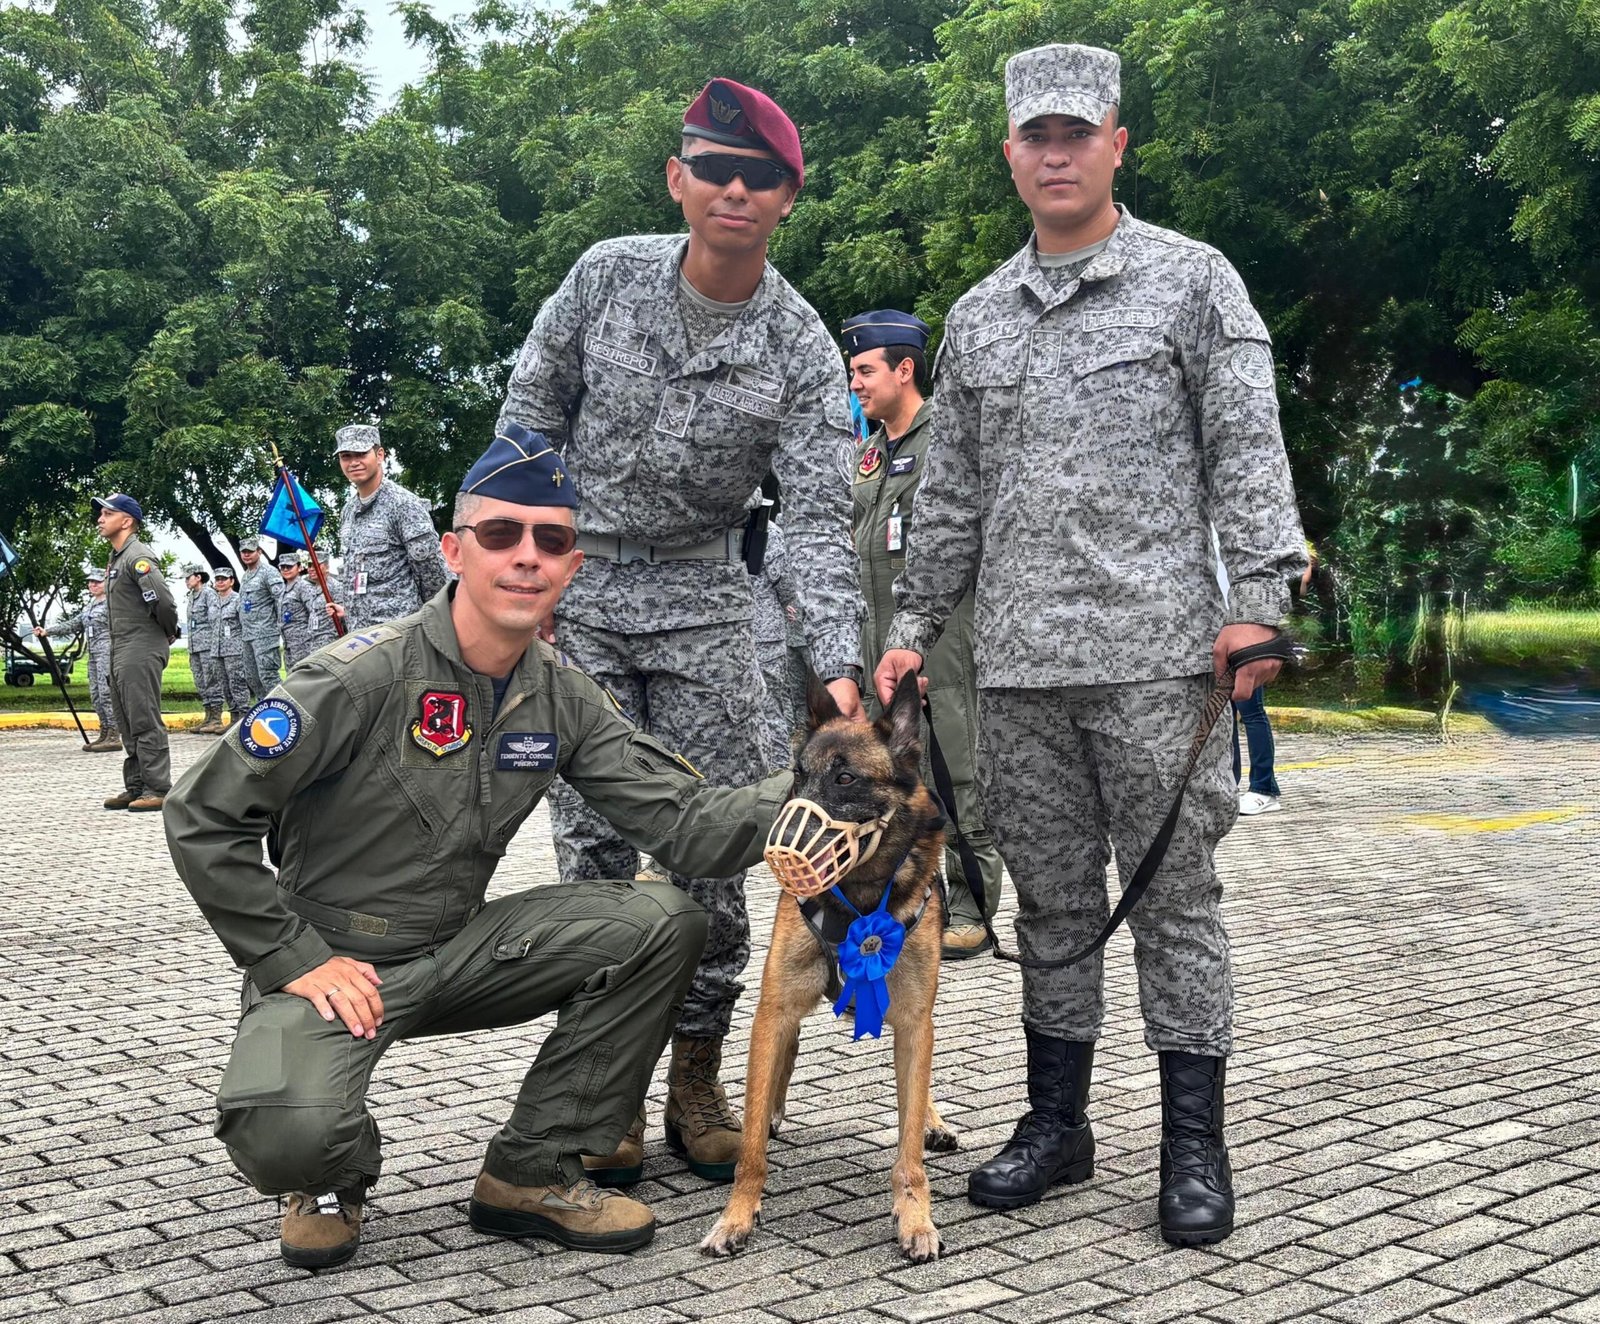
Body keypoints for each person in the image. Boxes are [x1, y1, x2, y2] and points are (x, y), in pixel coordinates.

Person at [164, 428, 795, 1269]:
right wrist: (291, 956)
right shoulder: (359, 677)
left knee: (663, 921)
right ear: (456, 550)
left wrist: (819, 791)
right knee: (289, 1133)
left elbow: (684, 824)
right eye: (502, 534)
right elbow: (202, 814)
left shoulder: (561, 695)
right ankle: (330, 1175)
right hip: (334, 966)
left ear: (574, 567)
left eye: (553, 540)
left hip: (461, 949)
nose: (527, 557)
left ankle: (534, 1170)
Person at [872, 44, 1306, 1246]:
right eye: (1033, 137)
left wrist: (1259, 598)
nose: (1054, 153)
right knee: (1054, 905)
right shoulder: (977, 315)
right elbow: (948, 501)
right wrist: (910, 635)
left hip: (1161, 659)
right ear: (1009, 154)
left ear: (1116, 142)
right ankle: (1056, 1126)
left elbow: (1247, 451)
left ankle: (1193, 1149)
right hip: (1016, 672)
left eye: (1076, 132)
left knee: (1174, 900)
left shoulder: (1191, 283)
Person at [494, 77, 861, 1181]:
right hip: (584, 605)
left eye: (760, 179)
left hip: (707, 609)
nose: (735, 193)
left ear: (787, 198)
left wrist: (838, 667)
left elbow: (820, 519)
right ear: (678, 178)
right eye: (715, 171)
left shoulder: (798, 343)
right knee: (593, 853)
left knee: (712, 855)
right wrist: (527, 571)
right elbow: (525, 420)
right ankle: (599, 1090)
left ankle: (695, 1078)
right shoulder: (604, 277)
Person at [845, 308, 1006, 960]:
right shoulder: (869, 451)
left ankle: (971, 908)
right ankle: (915, 902)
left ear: (904, 368)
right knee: (895, 781)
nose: (854, 382)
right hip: (875, 641)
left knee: (955, 772)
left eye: (864, 370)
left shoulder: (947, 440)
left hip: (941, 636)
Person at [93, 493, 179, 811]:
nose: (100, 519)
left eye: (107, 513)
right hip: (121, 647)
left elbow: (164, 602)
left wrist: (168, 631)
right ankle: (137, 785)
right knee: (127, 721)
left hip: (140, 645)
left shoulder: (138, 557)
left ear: (126, 520)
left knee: (144, 718)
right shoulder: (117, 559)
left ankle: (158, 787)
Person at [325, 424, 449, 632]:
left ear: (379, 454)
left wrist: (433, 625)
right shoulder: (348, 511)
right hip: (360, 634)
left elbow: (432, 573)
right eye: (346, 456)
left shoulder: (403, 504)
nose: (354, 462)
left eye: (361, 454)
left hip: (399, 634)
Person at [34, 566, 120, 752]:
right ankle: (104, 732)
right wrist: (48, 631)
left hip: (107, 651)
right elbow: (74, 623)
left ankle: (114, 734)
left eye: (97, 582)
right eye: (90, 582)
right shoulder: (90, 606)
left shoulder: (112, 604)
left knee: (106, 693)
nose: (92, 585)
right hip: (94, 653)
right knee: (96, 695)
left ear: (106, 583)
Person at [237, 536, 284, 703]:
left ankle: (284, 707)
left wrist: (279, 627)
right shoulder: (246, 575)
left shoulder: (268, 572)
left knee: (268, 676)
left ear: (259, 552)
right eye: (243, 552)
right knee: (251, 676)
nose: (246, 555)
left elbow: (280, 600)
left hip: (265, 633)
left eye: (250, 551)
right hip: (248, 634)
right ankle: (265, 708)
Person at [185, 565, 226, 734]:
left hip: (207, 644)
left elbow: (215, 619)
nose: (186, 581)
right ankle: (208, 716)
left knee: (211, 679)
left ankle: (216, 718)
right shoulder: (192, 596)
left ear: (198, 577)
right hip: (195, 645)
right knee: (200, 680)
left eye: (188, 577)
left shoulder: (209, 594)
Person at [209, 567, 251, 727]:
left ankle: (243, 717)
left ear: (232, 581)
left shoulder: (238, 600)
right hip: (217, 650)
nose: (220, 582)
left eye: (224, 579)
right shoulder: (213, 601)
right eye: (218, 579)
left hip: (234, 650)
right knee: (224, 684)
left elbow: (244, 624)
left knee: (237, 683)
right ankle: (233, 717)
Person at [278, 553, 318, 668]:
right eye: (283, 567)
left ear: (299, 567)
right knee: (291, 678)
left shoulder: (303, 586)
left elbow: (314, 611)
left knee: (303, 677)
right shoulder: (283, 590)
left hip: (302, 642)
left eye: (289, 566)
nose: (286, 569)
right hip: (288, 643)